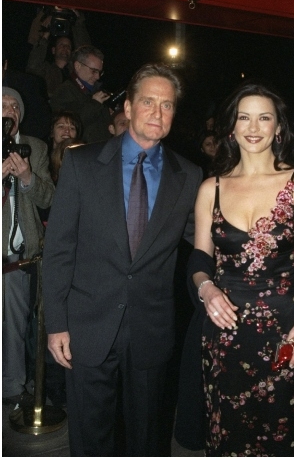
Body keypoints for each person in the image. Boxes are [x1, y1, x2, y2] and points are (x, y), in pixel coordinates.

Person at [42, 63, 203, 456]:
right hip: (87, 325)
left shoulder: (190, 176)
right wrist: (57, 324)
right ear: (128, 108)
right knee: (90, 434)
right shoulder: (81, 165)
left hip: (150, 328)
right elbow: (59, 249)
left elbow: (205, 244)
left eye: (167, 105)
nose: (157, 112)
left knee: (147, 436)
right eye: (148, 101)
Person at [190, 81, 294, 456]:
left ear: (278, 127)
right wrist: (206, 289)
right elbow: (200, 260)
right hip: (223, 333)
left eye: (264, 117)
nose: (253, 127)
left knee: (282, 434)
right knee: (227, 436)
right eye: (244, 117)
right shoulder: (211, 188)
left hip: (287, 332)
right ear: (231, 127)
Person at [2, 87, 55, 406]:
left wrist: (27, 178)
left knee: (15, 326)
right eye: (3, 104)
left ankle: (10, 387)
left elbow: (50, 198)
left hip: (16, 260)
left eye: (15, 106)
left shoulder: (34, 147)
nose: (10, 109)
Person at [49, 45, 112, 144]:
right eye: (94, 71)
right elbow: (70, 124)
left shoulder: (96, 91)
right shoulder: (64, 91)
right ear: (78, 66)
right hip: (81, 153)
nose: (97, 76)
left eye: (100, 72)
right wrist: (94, 104)